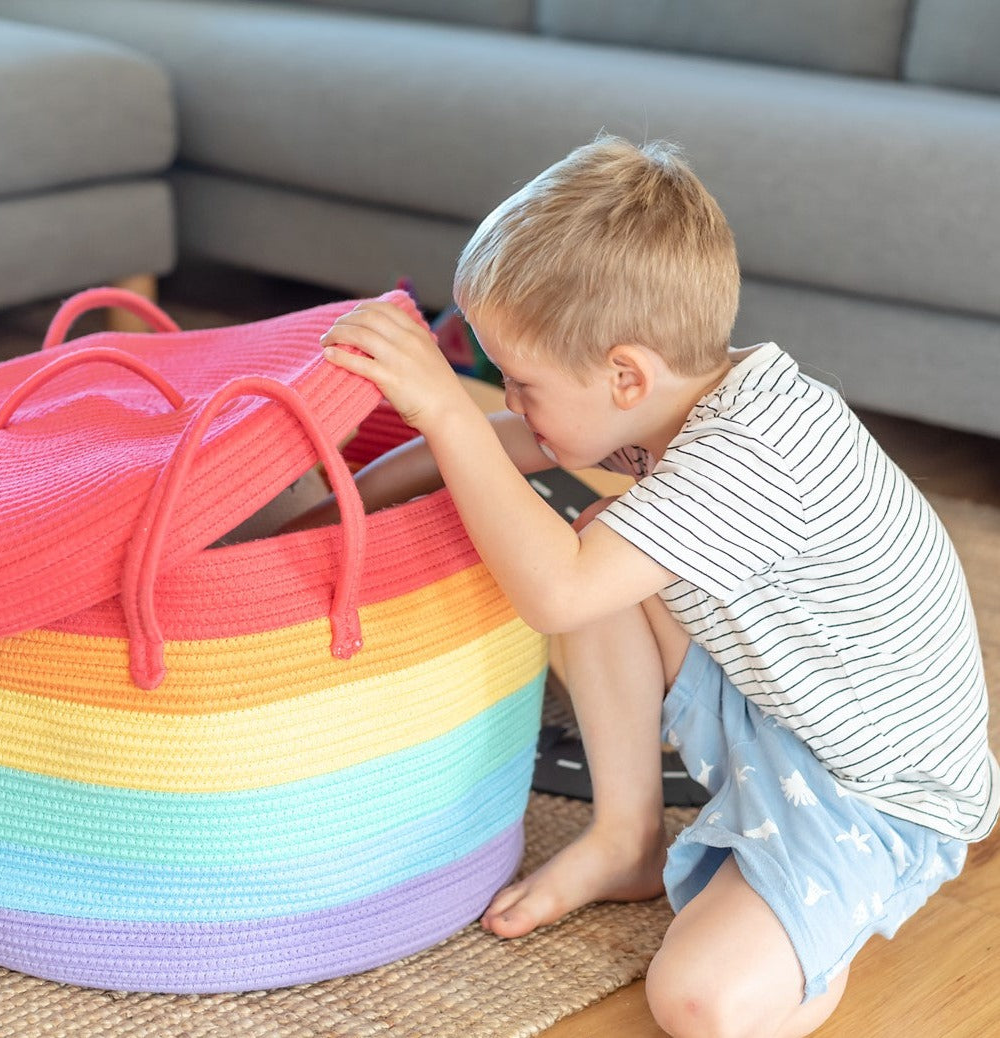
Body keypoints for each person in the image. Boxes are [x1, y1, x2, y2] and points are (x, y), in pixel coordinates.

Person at [316, 135, 999, 1038]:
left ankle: (816, 938)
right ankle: (625, 839)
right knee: (600, 541)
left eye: (518, 381)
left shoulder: (752, 457)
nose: (505, 401)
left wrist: (446, 406)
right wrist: (339, 506)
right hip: (779, 706)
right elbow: (520, 446)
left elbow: (553, 596)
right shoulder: (674, 395)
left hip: (873, 791)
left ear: (625, 374)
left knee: (699, 1003)